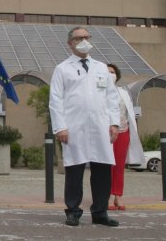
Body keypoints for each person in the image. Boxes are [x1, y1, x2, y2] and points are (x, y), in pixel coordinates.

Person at [49, 26, 120, 227]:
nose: (84, 40)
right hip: (74, 128)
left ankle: (100, 212)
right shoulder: (62, 69)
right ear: (70, 42)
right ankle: (73, 211)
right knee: (74, 170)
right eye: (79, 37)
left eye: (87, 37)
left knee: (102, 171)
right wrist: (60, 127)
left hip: (100, 127)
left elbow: (111, 97)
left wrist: (114, 123)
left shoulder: (101, 67)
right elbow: (55, 100)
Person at [106, 64, 143, 211]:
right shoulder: (98, 92)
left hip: (123, 131)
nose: (110, 74)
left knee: (119, 165)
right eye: (107, 72)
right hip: (105, 133)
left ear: (117, 75)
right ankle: (107, 195)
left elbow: (128, 113)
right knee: (107, 165)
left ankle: (117, 195)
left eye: (113, 72)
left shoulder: (123, 93)